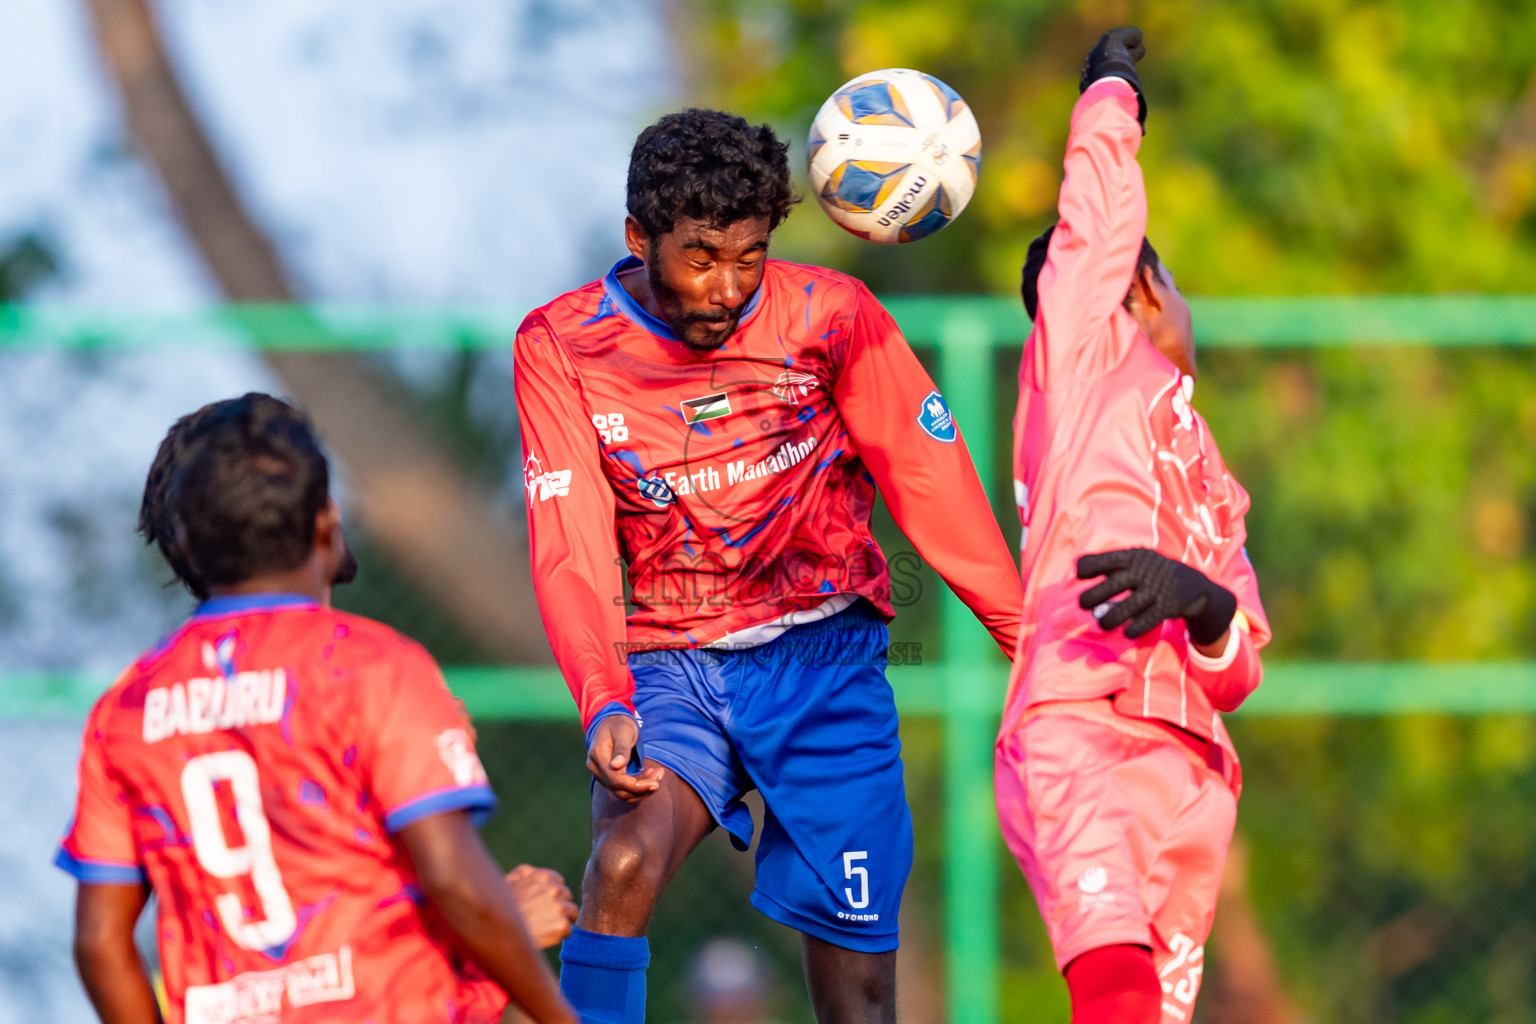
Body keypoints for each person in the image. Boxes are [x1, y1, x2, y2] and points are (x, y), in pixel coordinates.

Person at [514, 108, 1024, 1024]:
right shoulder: (561, 347)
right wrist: (603, 697)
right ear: (639, 238)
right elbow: (572, 541)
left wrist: (1031, 645)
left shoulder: (832, 316)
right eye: (701, 256)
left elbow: (928, 479)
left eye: (749, 257)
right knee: (622, 863)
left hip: (824, 664)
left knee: (859, 995)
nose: (725, 288)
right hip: (671, 666)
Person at [56, 393, 579, 1024]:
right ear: (327, 521)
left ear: (187, 542)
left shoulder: (128, 709)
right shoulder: (372, 669)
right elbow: (455, 881)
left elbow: (98, 941)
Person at [1000, 29, 1272, 1024]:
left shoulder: (1210, 480)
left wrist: (1201, 602)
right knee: (1109, 990)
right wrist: (1110, 96)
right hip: (1079, 722)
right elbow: (1097, 229)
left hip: (1190, 770)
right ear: (1145, 288)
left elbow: (1240, 669)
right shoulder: (1083, 363)